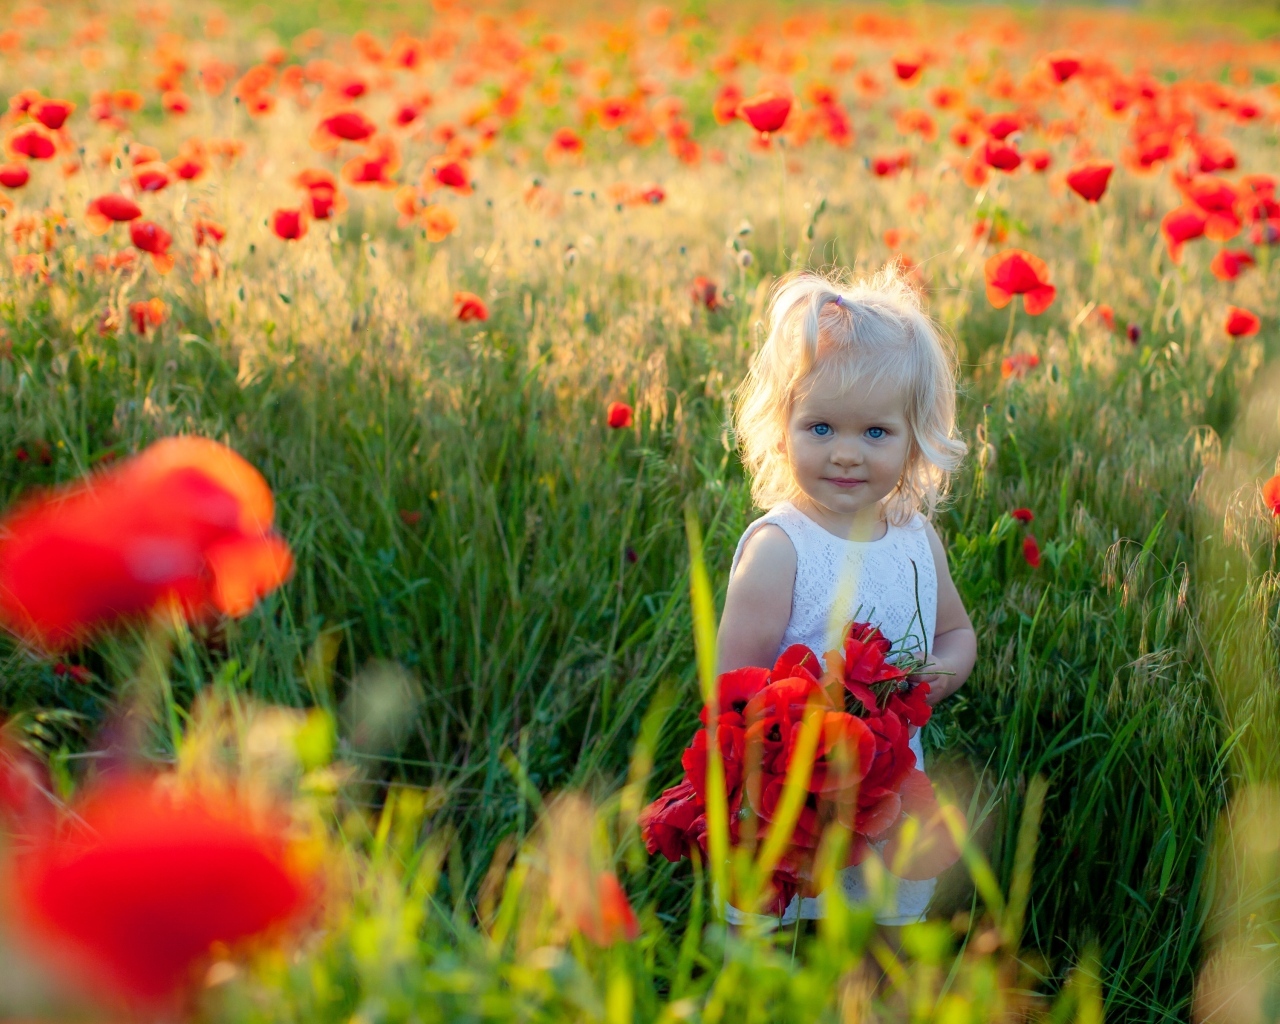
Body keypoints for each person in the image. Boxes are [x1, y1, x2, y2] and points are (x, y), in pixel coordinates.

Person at [717, 265, 976, 934]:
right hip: (792, 790)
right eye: (822, 428)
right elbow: (729, 686)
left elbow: (956, 636)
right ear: (783, 427)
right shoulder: (781, 548)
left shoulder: (917, 540)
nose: (847, 455)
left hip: (887, 783)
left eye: (876, 433)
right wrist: (801, 722)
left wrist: (913, 691)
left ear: (916, 437)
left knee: (879, 935)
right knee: (785, 929)